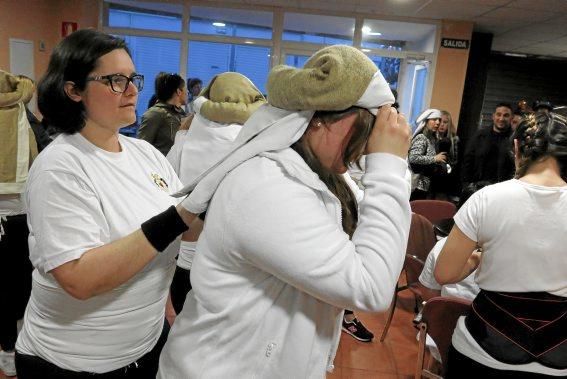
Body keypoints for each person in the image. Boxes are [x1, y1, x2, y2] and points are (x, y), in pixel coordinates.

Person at [158, 45, 412, 378]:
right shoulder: (266, 187)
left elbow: (366, 220)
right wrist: (389, 168)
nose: (366, 144)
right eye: (364, 128)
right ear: (319, 121)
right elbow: (371, 287)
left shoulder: (311, 172)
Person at [14, 29, 197, 378]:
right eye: (116, 80)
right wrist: (179, 216)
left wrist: (225, 191)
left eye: (133, 78)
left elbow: (187, 230)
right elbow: (80, 278)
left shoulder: (145, 155)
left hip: (143, 348)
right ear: (74, 90)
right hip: (69, 364)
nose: (132, 90)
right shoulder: (60, 167)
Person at [435, 112, 567, 378]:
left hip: (484, 345)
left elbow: (444, 274)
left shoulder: (487, 199)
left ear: (517, 148)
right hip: (560, 351)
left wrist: (476, 260)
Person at [166, 71, 267, 314]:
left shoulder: (190, 131)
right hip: (231, 245)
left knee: (185, 294)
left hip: (187, 235)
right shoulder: (251, 138)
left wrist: (181, 135)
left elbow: (169, 174)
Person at [0, 70, 38, 378]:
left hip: (10, 217)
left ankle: (7, 350)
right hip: (23, 213)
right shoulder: (25, 117)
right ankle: (23, 345)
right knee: (23, 282)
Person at [461, 102, 515, 197]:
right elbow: (467, 161)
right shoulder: (479, 136)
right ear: (493, 116)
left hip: (503, 192)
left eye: (506, 115)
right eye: (499, 114)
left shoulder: (515, 140)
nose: (501, 119)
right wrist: (466, 185)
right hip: (477, 190)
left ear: (511, 118)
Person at [138, 72, 187, 156]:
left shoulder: (181, 115)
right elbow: (141, 149)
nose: (187, 93)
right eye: (186, 89)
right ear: (179, 91)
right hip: (159, 167)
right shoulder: (155, 113)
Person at [409, 108, 447, 200]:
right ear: (426, 122)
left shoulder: (431, 138)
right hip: (417, 185)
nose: (438, 123)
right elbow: (413, 158)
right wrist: (434, 159)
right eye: (434, 120)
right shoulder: (422, 137)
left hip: (425, 185)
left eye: (439, 120)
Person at [432, 110, 460, 200]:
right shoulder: (430, 137)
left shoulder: (454, 139)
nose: (442, 124)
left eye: (445, 122)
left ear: (449, 124)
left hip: (446, 178)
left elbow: (455, 161)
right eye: (440, 121)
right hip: (431, 176)